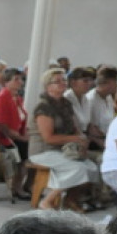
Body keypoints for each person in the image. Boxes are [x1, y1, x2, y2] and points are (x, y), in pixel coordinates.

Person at [28, 68, 100, 211]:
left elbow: (75, 127)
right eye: (57, 81)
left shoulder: (66, 103)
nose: (62, 83)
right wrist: (74, 138)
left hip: (64, 149)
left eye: (64, 80)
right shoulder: (43, 107)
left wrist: (82, 140)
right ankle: (46, 201)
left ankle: (70, 200)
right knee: (77, 168)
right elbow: (48, 138)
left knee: (91, 167)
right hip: (44, 151)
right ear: (48, 86)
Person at [0, 66, 31, 200]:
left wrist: (25, 134)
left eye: (21, 79)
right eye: (16, 79)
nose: (20, 82)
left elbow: (21, 120)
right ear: (6, 82)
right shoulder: (2, 98)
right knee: (26, 149)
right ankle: (18, 187)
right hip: (4, 137)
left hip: (17, 135)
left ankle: (25, 185)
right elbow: (2, 125)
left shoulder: (17, 98)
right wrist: (21, 137)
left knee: (33, 146)